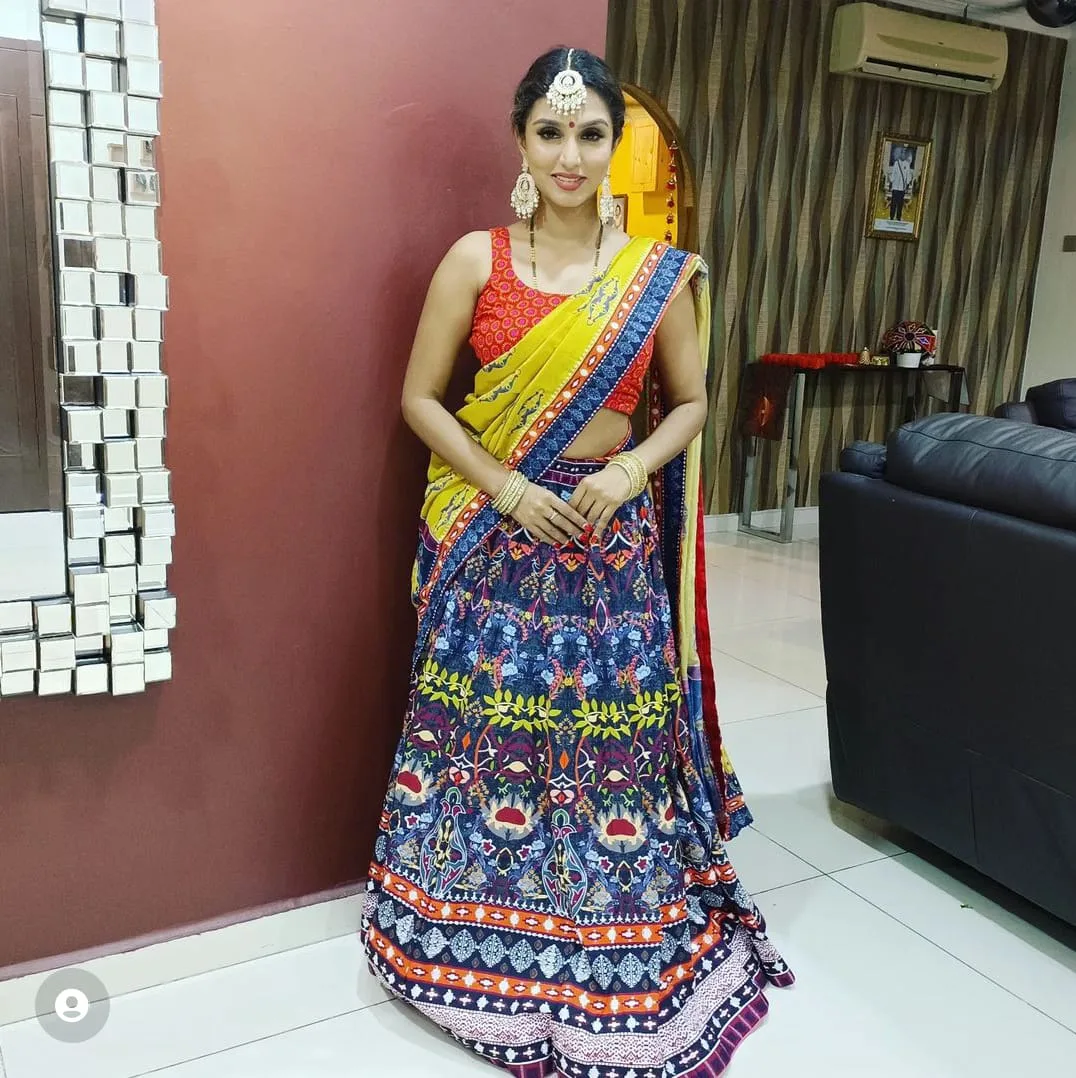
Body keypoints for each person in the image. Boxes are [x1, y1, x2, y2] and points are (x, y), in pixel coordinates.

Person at [361, 46, 793, 1078]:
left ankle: (606, 918)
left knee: (608, 748)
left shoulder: (655, 274)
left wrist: (631, 469)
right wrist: (508, 489)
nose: (569, 154)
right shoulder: (475, 260)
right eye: (549, 132)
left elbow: (691, 402)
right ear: (521, 140)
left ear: (614, 143)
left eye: (589, 133)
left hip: (607, 541)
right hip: (496, 541)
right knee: (482, 739)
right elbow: (419, 397)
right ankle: (457, 926)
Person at [887, 145, 914, 221]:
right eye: (902, 152)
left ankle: (898, 217)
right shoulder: (896, 163)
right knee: (893, 203)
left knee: (900, 203)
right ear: (900, 154)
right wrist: (891, 182)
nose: (903, 154)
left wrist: (907, 183)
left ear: (905, 155)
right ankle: (891, 216)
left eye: (904, 153)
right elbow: (893, 174)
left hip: (902, 188)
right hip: (895, 187)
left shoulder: (907, 164)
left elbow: (908, 175)